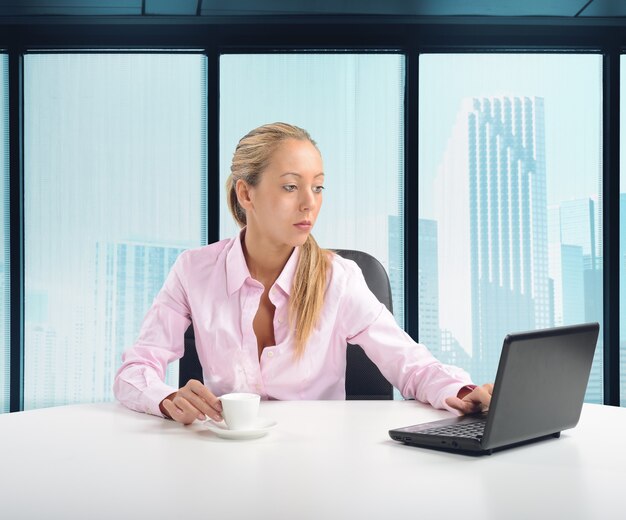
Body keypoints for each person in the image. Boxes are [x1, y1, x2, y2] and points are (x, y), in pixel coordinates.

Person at [113, 122, 493, 425]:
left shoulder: (339, 278)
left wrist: (459, 391)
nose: (310, 203)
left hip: (320, 460)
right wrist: (165, 398)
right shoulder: (194, 271)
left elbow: (411, 364)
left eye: (318, 187)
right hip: (223, 458)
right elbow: (136, 368)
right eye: (291, 187)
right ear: (247, 195)